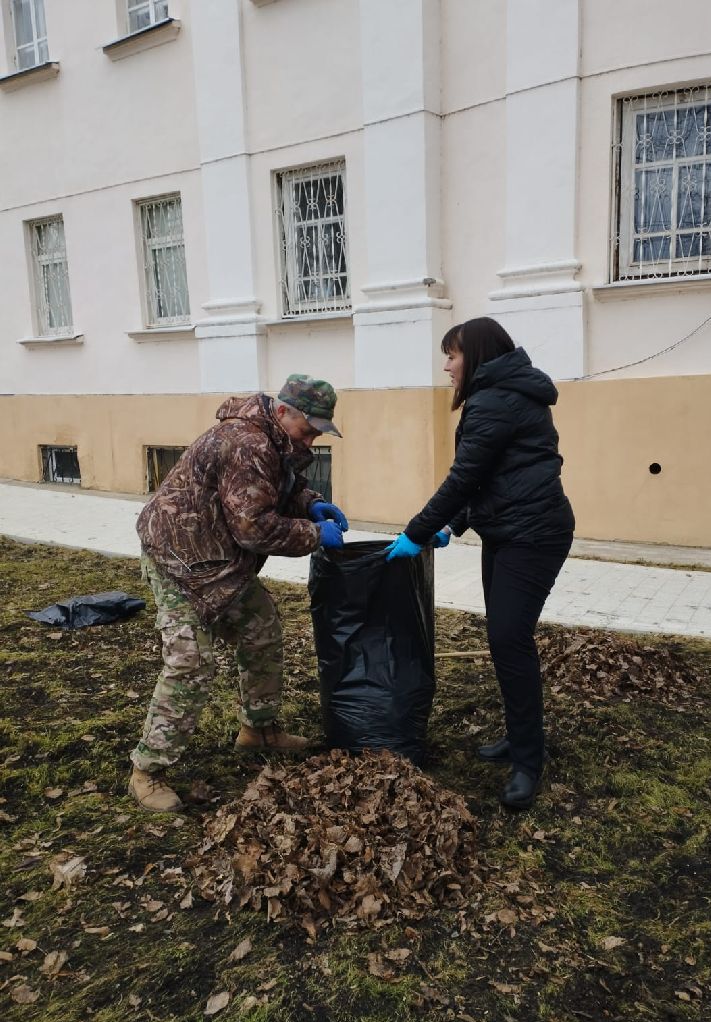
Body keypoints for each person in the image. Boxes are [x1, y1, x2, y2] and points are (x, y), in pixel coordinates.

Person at [128, 375, 348, 812]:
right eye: (310, 428)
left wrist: (308, 503)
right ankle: (147, 771)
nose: (314, 436)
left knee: (261, 630)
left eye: (320, 430)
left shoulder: (273, 438)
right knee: (190, 662)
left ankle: (259, 731)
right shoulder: (247, 443)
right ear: (283, 411)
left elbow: (271, 486)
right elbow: (253, 528)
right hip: (180, 561)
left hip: (218, 561)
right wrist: (313, 533)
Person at [386, 318, 575, 810]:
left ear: (478, 355)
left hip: (532, 535)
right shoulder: (507, 392)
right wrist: (456, 525)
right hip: (510, 529)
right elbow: (495, 477)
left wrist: (416, 532)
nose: (446, 365)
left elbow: (464, 478)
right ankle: (519, 736)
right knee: (505, 639)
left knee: (509, 639)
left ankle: (528, 762)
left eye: (452, 354)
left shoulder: (495, 400)